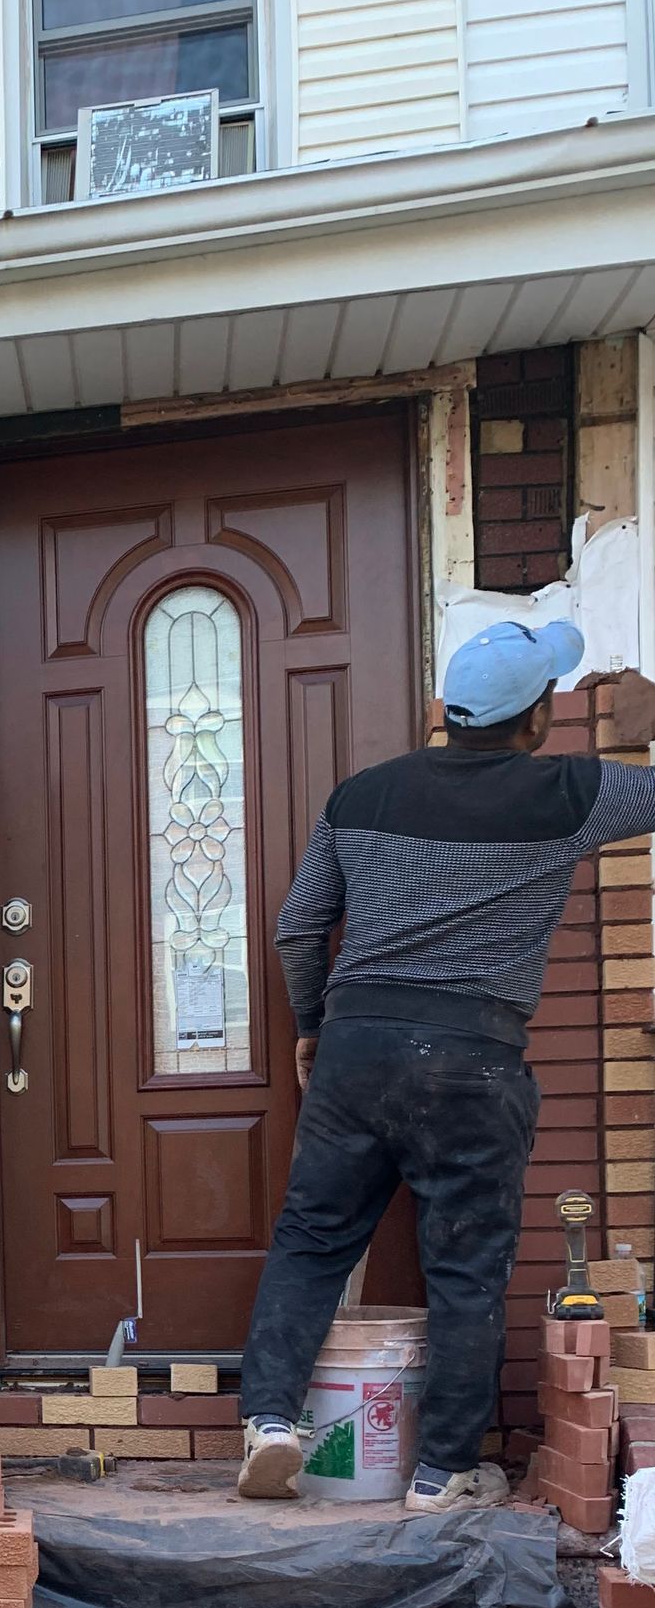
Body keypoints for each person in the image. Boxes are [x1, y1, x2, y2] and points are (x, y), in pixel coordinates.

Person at [237, 620, 655, 1509]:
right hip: (473, 1055)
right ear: (537, 717)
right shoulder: (570, 793)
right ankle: (444, 1472)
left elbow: (298, 925)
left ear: (450, 714)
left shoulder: (362, 796)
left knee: (312, 1241)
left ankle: (272, 1421)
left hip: (356, 1045)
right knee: (466, 1268)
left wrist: (313, 1024)